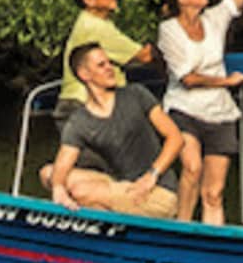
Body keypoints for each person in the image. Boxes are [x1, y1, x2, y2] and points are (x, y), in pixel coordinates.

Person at [157, 0, 243, 225]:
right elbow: (187, 79)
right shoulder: (169, 30)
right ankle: (183, 227)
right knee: (192, 168)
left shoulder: (214, 19)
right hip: (183, 108)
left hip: (219, 110)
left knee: (214, 192)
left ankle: (215, 245)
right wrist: (226, 81)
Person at [46, 43, 184, 218]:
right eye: (101, 65)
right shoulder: (80, 120)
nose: (110, 69)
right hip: (121, 185)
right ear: (84, 74)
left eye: (109, 63)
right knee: (49, 174)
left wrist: (152, 175)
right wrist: (58, 189)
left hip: (157, 191)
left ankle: (101, 229)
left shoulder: (136, 94)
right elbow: (63, 163)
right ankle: (102, 232)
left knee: (81, 192)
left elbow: (176, 138)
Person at [57, 0, 156, 115]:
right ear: (89, 0)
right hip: (84, 104)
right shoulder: (96, 27)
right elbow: (145, 56)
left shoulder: (94, 21)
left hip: (83, 102)